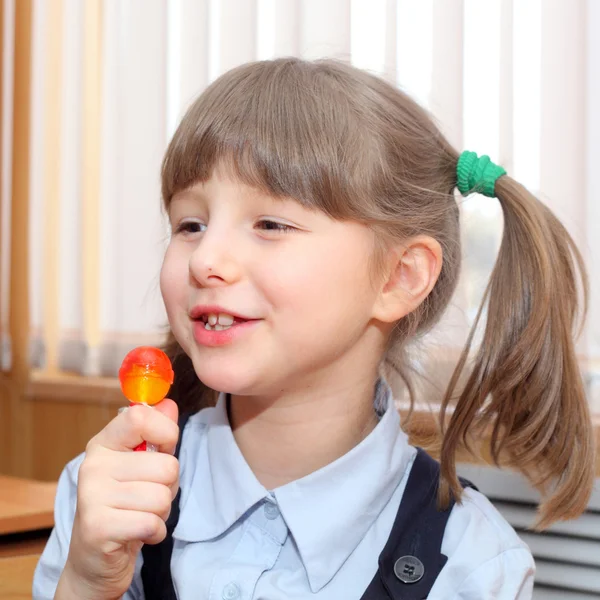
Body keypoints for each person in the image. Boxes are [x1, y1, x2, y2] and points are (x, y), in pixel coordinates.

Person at [33, 58, 595, 600]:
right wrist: (85, 583)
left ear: (399, 277)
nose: (206, 258)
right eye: (191, 224)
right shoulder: (103, 491)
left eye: (270, 223)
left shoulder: (472, 562)